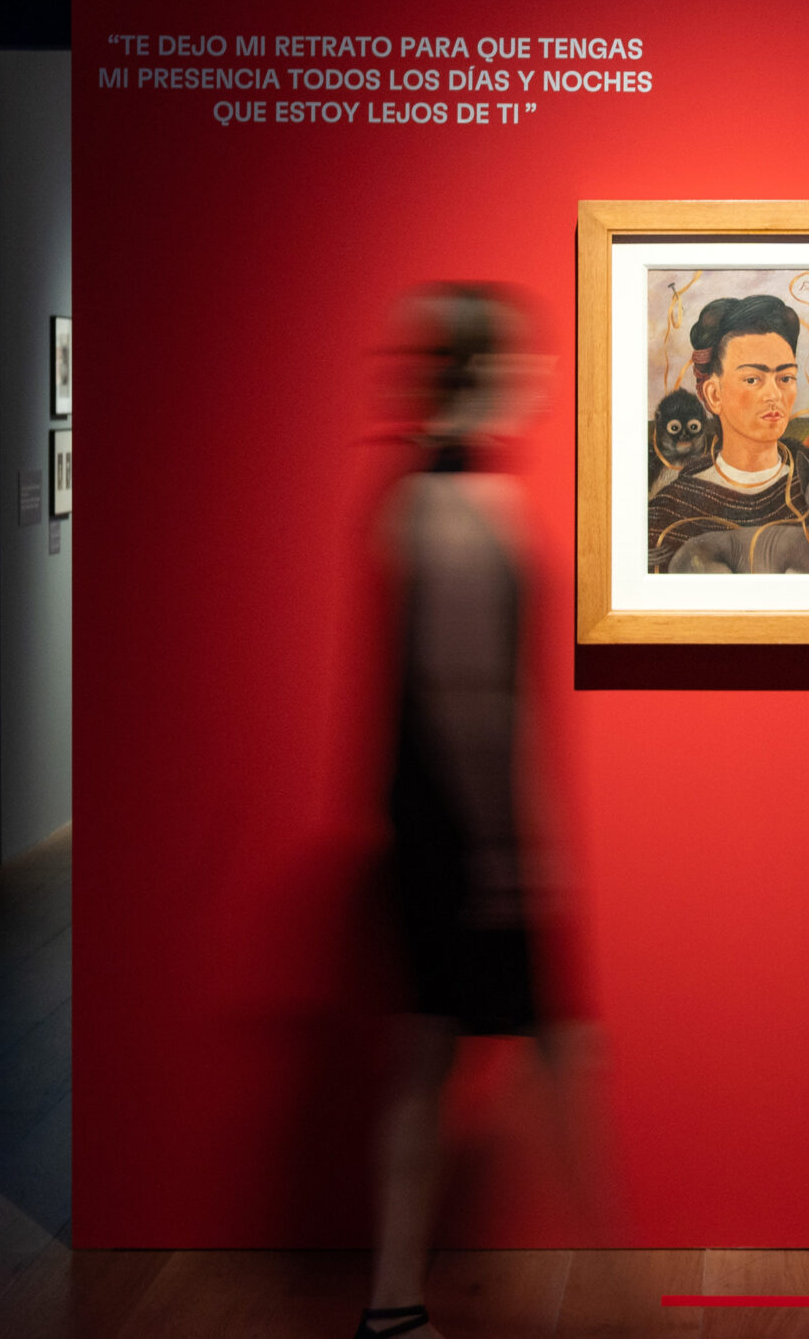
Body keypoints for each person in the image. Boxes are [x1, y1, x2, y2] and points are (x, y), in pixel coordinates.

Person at [362, 284, 590, 1339]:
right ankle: (624, 1302)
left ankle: (391, 1303)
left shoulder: (414, 495)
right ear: (483, 370)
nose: (538, 375)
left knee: (432, 1054)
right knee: (558, 1051)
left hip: (428, 824)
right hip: (466, 834)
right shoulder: (464, 507)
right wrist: (508, 847)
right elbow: (469, 695)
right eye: (522, 359)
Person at [647, 293, 809, 572]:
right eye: (753, 379)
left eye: (785, 378)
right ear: (714, 394)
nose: (774, 395)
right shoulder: (669, 513)